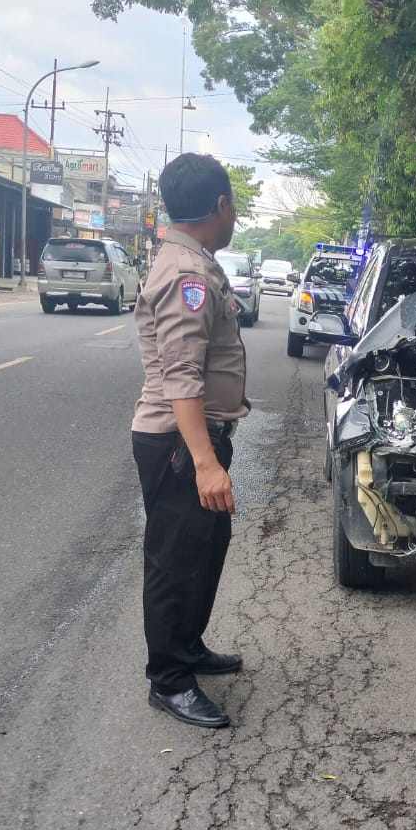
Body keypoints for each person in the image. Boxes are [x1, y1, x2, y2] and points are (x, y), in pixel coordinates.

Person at [131, 154, 248, 729]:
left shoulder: (193, 262)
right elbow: (181, 375)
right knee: (175, 561)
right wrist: (204, 462)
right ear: (220, 205)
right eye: (234, 205)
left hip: (195, 440)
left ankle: (188, 646)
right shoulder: (188, 275)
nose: (235, 215)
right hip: (180, 443)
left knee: (204, 549)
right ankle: (169, 679)